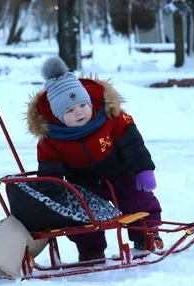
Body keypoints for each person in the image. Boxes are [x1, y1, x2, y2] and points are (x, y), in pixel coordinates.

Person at [26, 57, 163, 262]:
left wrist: (143, 169)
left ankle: (147, 236)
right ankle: (91, 250)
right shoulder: (52, 137)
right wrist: (51, 196)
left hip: (119, 173)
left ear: (90, 101)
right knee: (80, 214)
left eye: (82, 105)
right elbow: (49, 169)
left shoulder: (108, 117)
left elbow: (132, 143)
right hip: (83, 183)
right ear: (57, 116)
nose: (79, 112)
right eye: (69, 111)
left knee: (138, 198)